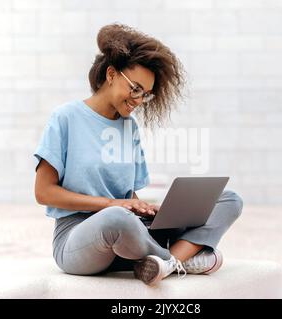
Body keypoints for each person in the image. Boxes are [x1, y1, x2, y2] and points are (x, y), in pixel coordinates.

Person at [34, 23, 243, 286]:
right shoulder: (65, 118)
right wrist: (114, 205)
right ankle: (180, 260)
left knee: (228, 200)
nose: (138, 100)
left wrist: (142, 207)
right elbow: (44, 192)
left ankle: (160, 263)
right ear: (111, 74)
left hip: (130, 233)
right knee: (117, 218)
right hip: (79, 238)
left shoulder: (128, 126)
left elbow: (126, 195)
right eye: (135, 88)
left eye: (145, 95)